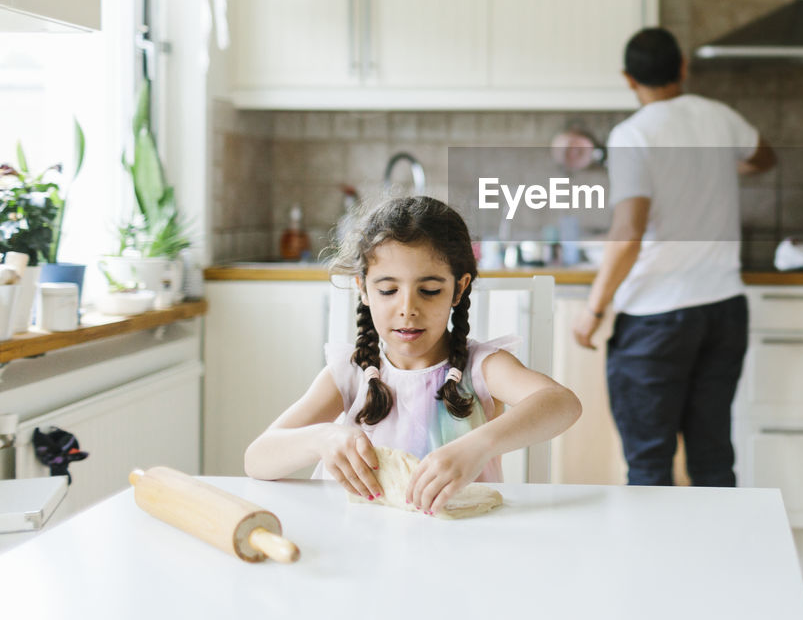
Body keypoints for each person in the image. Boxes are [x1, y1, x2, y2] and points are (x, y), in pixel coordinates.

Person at [245, 196, 581, 513]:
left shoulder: (481, 368)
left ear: (458, 289)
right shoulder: (350, 375)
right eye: (388, 290)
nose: (407, 309)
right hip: (361, 545)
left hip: (460, 548)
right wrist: (322, 438)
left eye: (429, 290)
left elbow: (562, 403)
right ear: (363, 289)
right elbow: (257, 459)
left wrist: (479, 446)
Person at [571, 27, 776, 487]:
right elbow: (764, 157)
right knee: (712, 461)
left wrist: (593, 309)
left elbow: (628, 233)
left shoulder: (632, 135)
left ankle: (652, 562)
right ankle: (714, 559)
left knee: (649, 465)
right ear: (682, 66)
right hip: (723, 311)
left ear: (629, 79)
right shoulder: (719, 117)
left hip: (656, 320)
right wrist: (720, 166)